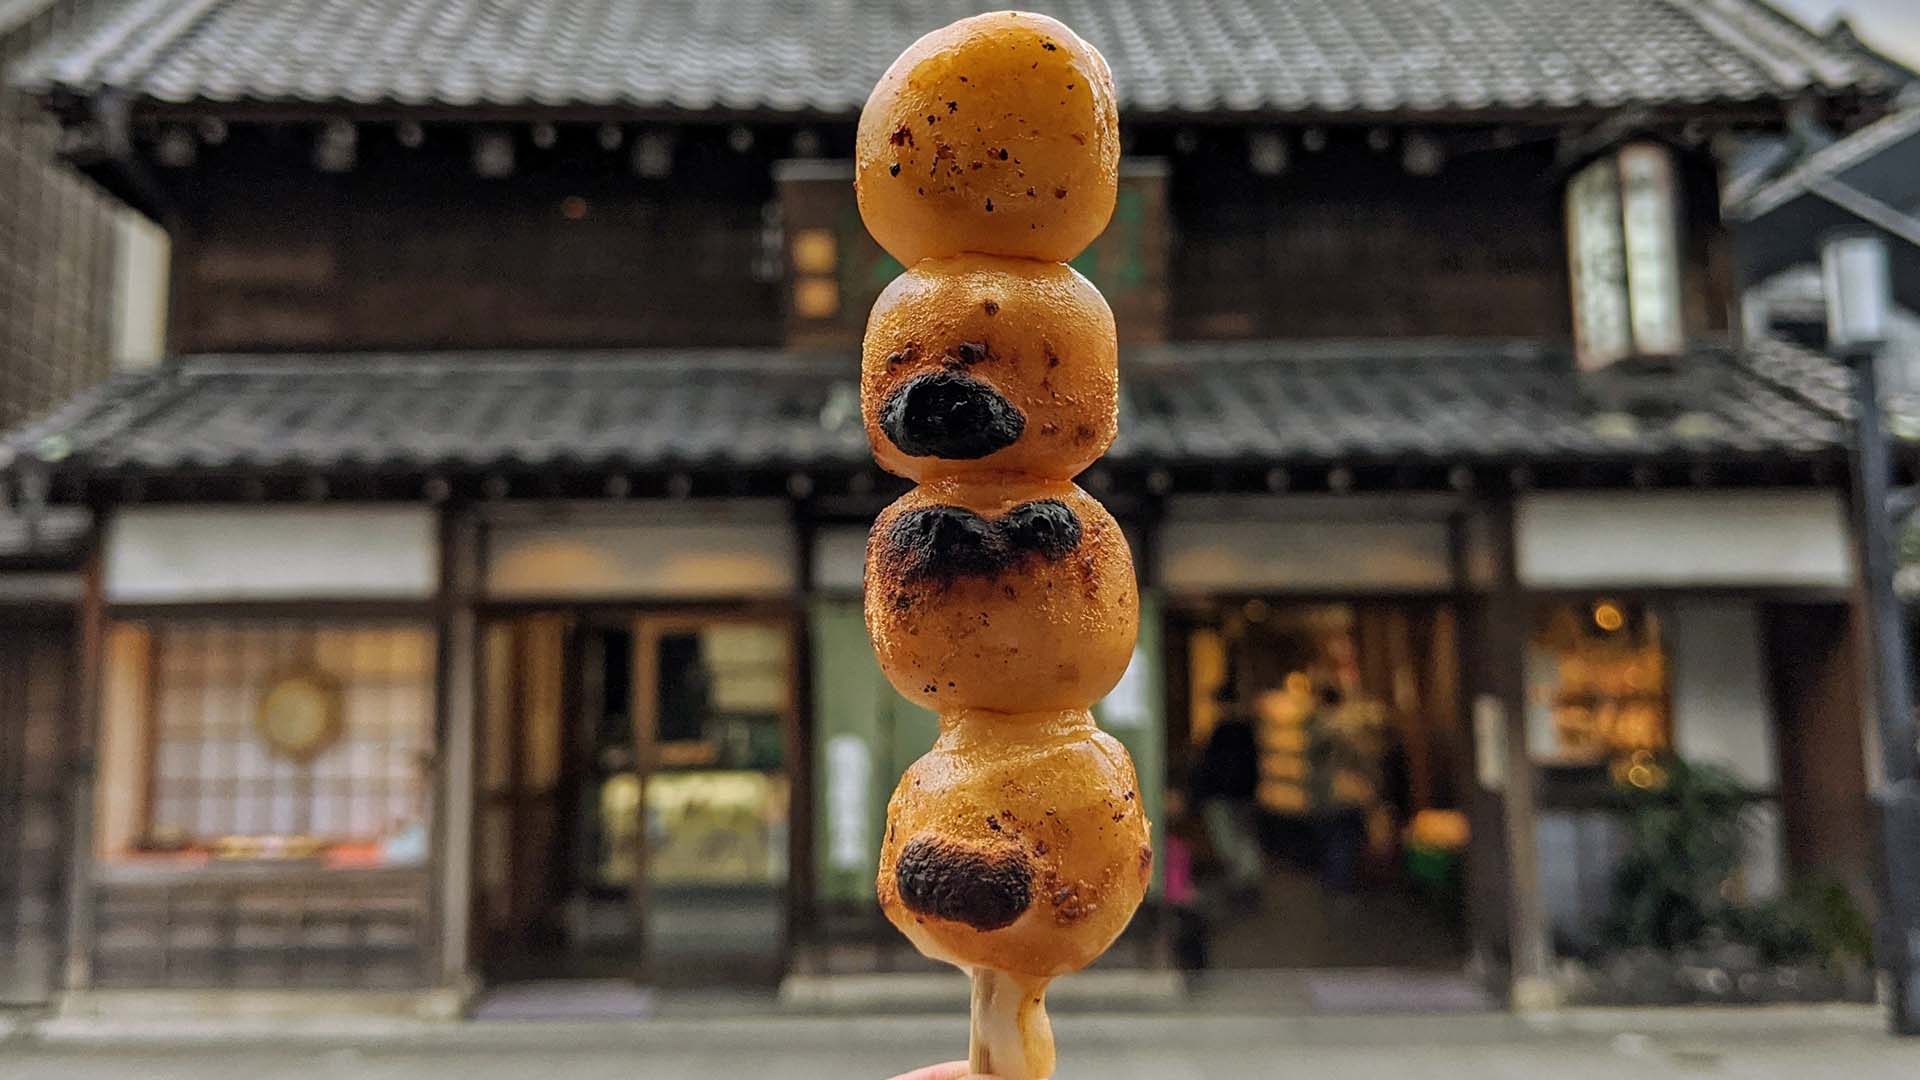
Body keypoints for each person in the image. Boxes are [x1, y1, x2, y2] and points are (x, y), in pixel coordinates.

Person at [1190, 688, 1263, 904]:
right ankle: (1244, 880)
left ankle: (1243, 881)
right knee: (1240, 838)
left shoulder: (1225, 731)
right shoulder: (1243, 730)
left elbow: (1215, 766)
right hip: (1238, 793)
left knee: (1231, 839)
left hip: (1225, 794)